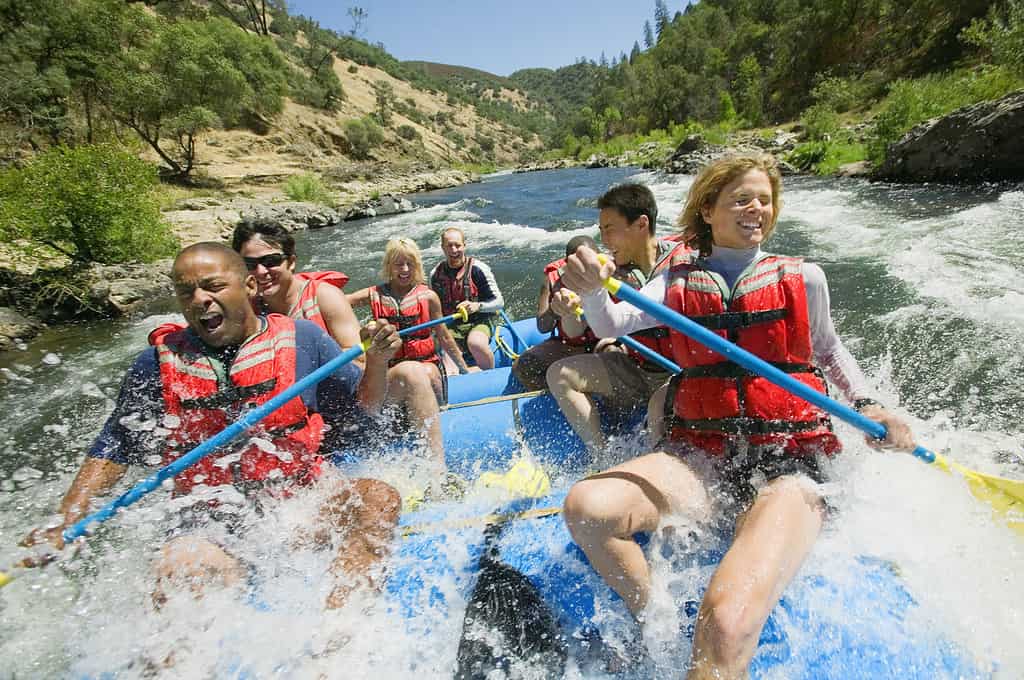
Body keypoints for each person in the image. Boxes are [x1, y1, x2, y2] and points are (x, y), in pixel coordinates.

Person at [559, 154, 916, 678]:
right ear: (707, 209)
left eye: (765, 200)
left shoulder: (805, 276)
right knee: (589, 507)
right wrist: (591, 287)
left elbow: (829, 350)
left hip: (788, 467)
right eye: (741, 199)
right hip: (702, 459)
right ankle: (657, 622)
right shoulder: (674, 281)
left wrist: (868, 404)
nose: (757, 209)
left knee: (725, 625)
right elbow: (612, 319)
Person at [21, 243, 403, 610]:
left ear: (249, 286)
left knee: (379, 499)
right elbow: (115, 446)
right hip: (212, 521)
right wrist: (66, 520)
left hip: (300, 499)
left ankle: (341, 632)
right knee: (180, 573)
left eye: (214, 286)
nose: (200, 299)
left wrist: (378, 361)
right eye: (186, 292)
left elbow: (363, 408)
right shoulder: (155, 364)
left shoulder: (305, 339)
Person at [233, 220, 445, 468]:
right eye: (250, 265)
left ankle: (436, 474)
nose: (260, 272)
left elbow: (360, 361)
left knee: (412, 371)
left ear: (290, 262)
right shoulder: (242, 312)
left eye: (271, 261)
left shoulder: (323, 296)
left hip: (351, 404)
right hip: (291, 419)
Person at [546, 183, 684, 455]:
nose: (604, 240)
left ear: (641, 224)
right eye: (601, 231)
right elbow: (576, 330)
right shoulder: (609, 273)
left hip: (677, 372)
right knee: (559, 374)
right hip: (636, 369)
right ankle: (600, 457)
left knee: (658, 404)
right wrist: (568, 308)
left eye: (609, 228)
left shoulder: (683, 264)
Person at [348, 237, 470, 406]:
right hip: (390, 368)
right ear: (389, 265)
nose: (405, 269)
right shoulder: (374, 294)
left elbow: (444, 336)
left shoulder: (428, 297)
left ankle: (440, 410)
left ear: (417, 266)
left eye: (410, 264)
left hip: (426, 363)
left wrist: (464, 369)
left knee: (426, 373)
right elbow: (341, 303)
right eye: (399, 264)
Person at [511, 235, 601, 390]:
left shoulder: (610, 274)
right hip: (569, 346)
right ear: (568, 262)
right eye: (580, 262)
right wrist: (555, 310)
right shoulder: (552, 280)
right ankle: (556, 399)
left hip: (601, 344)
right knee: (524, 365)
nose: (586, 266)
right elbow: (542, 326)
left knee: (615, 352)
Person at [429, 227, 504, 372]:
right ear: (443, 248)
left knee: (475, 343)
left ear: (464, 245)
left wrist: (477, 306)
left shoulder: (478, 269)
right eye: (449, 246)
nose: (454, 250)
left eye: (457, 245)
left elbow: (499, 302)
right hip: (452, 326)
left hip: (480, 321)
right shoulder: (435, 274)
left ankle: (491, 376)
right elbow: (433, 309)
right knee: (446, 356)